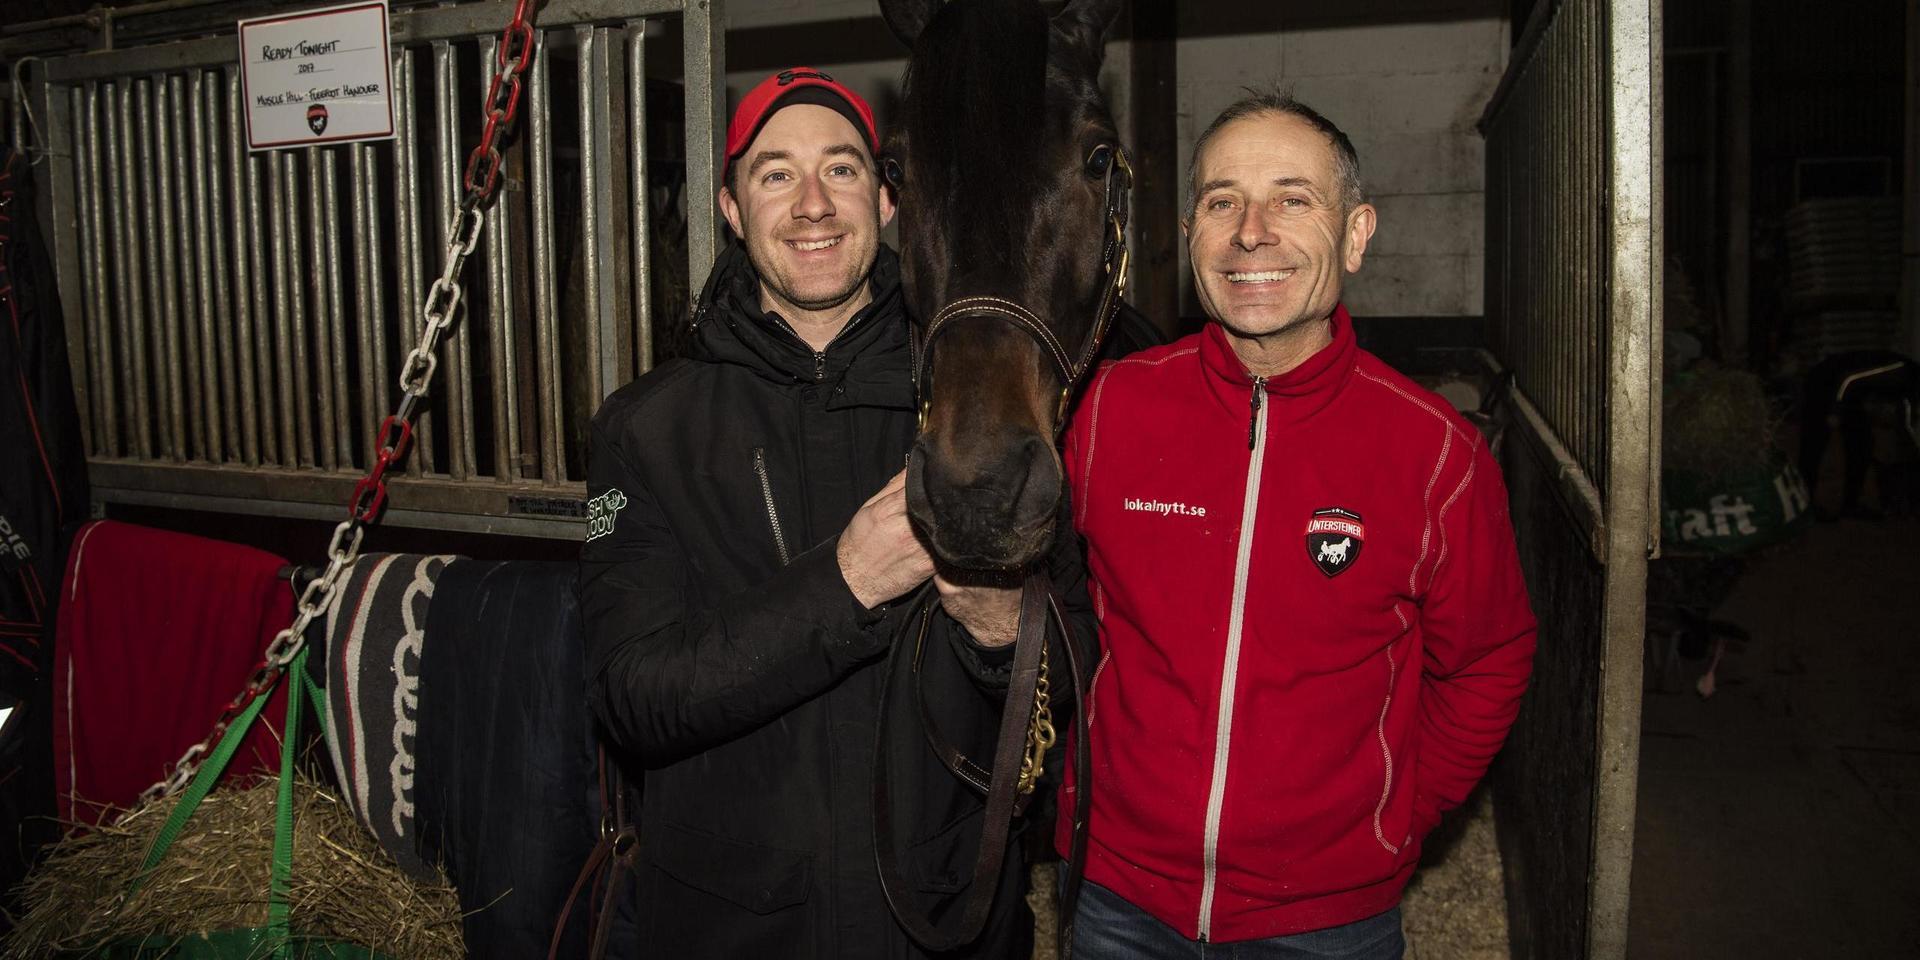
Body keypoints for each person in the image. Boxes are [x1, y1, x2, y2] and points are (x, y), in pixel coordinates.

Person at [578, 67, 1091, 959]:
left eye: (843, 169)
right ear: (732, 210)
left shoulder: (987, 406)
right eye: (776, 174)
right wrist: (846, 583)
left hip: (945, 923)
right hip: (732, 931)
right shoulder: (645, 429)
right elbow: (634, 696)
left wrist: (1002, 632)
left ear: (891, 201)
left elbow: (1082, 657)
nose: (813, 204)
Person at [1056, 91, 1538, 958]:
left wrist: (1398, 817)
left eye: (1293, 198)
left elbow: (1489, 659)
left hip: (1327, 922)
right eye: (1221, 202)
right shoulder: (1108, 410)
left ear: (1356, 234)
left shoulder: (1438, 455)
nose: (1251, 232)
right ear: (1190, 233)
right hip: (1117, 897)